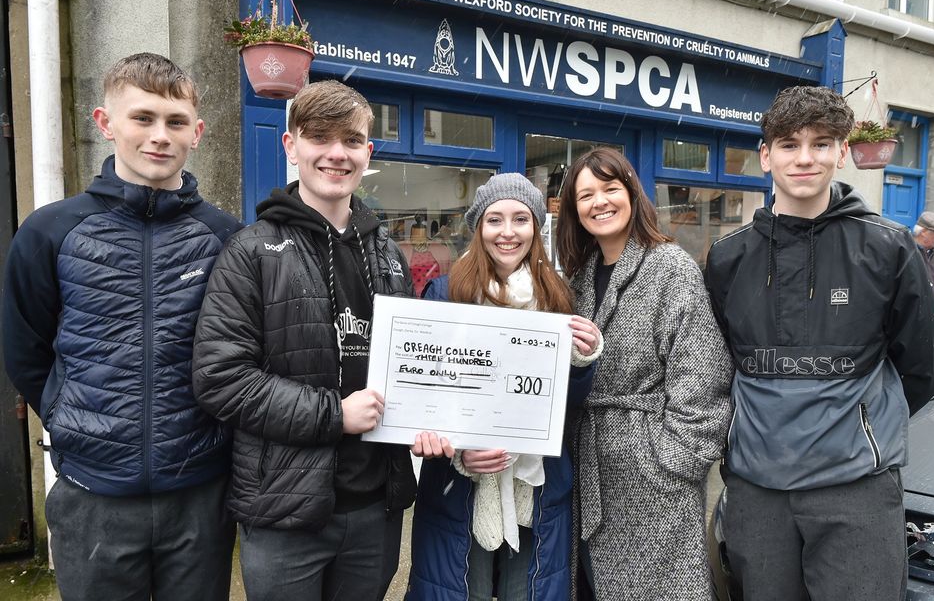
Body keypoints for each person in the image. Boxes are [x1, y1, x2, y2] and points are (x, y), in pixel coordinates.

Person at [2, 53, 242, 600]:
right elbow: (25, 349)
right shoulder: (50, 231)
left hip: (198, 492)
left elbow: (240, 349)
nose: (160, 136)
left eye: (175, 122)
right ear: (105, 123)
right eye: (143, 118)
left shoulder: (227, 237)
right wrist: (71, 422)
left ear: (197, 133)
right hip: (93, 498)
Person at [705, 85, 934, 600]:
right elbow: (717, 367)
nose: (805, 158)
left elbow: (922, 368)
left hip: (855, 488)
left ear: (842, 152)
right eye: (789, 144)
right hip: (756, 490)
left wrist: (860, 427)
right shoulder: (727, 258)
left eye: (821, 143)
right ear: (766, 156)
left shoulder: (888, 248)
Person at [192, 80, 416, 601]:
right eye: (320, 137)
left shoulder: (388, 256)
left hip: (374, 507)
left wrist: (434, 422)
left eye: (352, 140)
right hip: (284, 512)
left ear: (368, 153)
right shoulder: (250, 252)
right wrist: (333, 414)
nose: (337, 153)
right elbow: (220, 379)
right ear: (292, 146)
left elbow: (417, 365)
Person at [406, 172, 603, 600]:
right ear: (479, 228)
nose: (508, 232)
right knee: (463, 591)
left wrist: (582, 361)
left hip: (536, 484)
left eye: (521, 219)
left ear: (536, 227)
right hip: (460, 486)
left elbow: (564, 405)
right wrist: (460, 451)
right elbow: (428, 395)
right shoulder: (446, 292)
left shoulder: (559, 298)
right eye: (495, 220)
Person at [556, 147, 732, 599]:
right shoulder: (578, 278)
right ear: (575, 210)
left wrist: (672, 463)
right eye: (586, 194)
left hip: (653, 485)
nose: (600, 202)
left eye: (610, 188)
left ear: (631, 193)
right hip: (588, 469)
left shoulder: (670, 268)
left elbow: (703, 377)